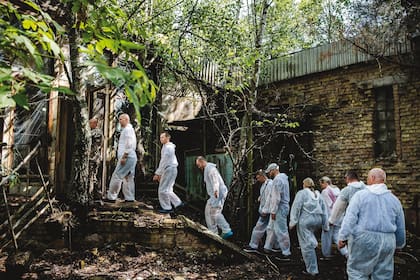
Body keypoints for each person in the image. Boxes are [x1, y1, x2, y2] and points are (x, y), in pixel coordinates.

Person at [338, 168, 406, 279]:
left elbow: (350, 218)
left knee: (357, 273)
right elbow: (400, 225)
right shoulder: (394, 200)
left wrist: (343, 237)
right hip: (387, 241)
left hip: (364, 240)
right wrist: (399, 244)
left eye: (368, 178)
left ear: (373, 178)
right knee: (383, 274)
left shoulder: (360, 196)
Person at [289, 177, 329, 276]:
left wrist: (292, 222)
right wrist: (325, 225)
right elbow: (324, 210)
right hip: (317, 220)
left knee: (306, 245)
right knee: (309, 236)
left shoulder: (301, 193)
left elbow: (296, 207)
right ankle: (313, 242)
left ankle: (312, 270)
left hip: (306, 220)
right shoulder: (318, 194)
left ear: (304, 184)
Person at [328, 170, 366, 257]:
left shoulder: (347, 190)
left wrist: (331, 220)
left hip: (353, 223)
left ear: (347, 178)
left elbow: (338, 208)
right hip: (367, 223)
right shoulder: (366, 188)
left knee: (353, 249)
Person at [195, 156, 233, 239]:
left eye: (198, 164)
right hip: (215, 194)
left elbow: (215, 180)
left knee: (215, 213)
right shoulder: (207, 169)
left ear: (202, 162)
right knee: (209, 212)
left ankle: (226, 230)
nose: (198, 167)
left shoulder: (210, 169)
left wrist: (216, 190)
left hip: (217, 193)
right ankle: (214, 232)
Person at [106, 113, 137, 202]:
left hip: (127, 156)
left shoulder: (127, 130)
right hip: (131, 156)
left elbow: (129, 143)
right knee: (128, 177)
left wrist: (124, 156)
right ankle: (130, 198)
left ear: (126, 120)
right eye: (119, 119)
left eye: (121, 119)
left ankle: (111, 197)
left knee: (117, 175)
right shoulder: (129, 129)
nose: (119, 121)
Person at [265, 163, 291, 258]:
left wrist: (273, 211)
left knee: (281, 230)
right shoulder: (283, 179)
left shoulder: (277, 180)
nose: (269, 174)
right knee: (271, 228)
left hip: (279, 208)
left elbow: (276, 197)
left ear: (274, 170)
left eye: (270, 171)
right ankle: (268, 247)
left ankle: (286, 252)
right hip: (282, 207)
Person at [243, 170, 274, 253]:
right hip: (265, 209)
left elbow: (269, 199)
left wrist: (265, 210)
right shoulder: (264, 185)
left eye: (258, 178)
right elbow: (265, 196)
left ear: (262, 176)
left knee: (259, 227)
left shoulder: (270, 184)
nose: (258, 180)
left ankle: (253, 245)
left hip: (267, 210)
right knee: (266, 228)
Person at [153, 132, 184, 213]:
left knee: (163, 189)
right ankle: (178, 203)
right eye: (160, 137)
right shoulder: (166, 147)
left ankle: (167, 208)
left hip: (170, 168)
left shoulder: (168, 147)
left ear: (167, 138)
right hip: (170, 169)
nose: (161, 139)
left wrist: (158, 173)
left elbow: (164, 161)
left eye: (162, 137)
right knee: (168, 189)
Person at [319, 176, 347, 259]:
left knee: (326, 236)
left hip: (330, 217)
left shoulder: (325, 192)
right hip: (340, 216)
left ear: (326, 183)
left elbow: (326, 206)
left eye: (321, 184)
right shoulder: (337, 189)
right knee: (337, 235)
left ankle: (326, 254)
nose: (321, 186)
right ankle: (345, 252)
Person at [88, 117, 104, 202]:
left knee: (92, 177)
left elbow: (87, 136)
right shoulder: (94, 132)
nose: (88, 124)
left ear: (95, 124)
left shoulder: (96, 132)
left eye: (90, 123)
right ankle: (95, 195)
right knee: (92, 177)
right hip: (93, 158)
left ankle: (94, 195)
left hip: (93, 158)